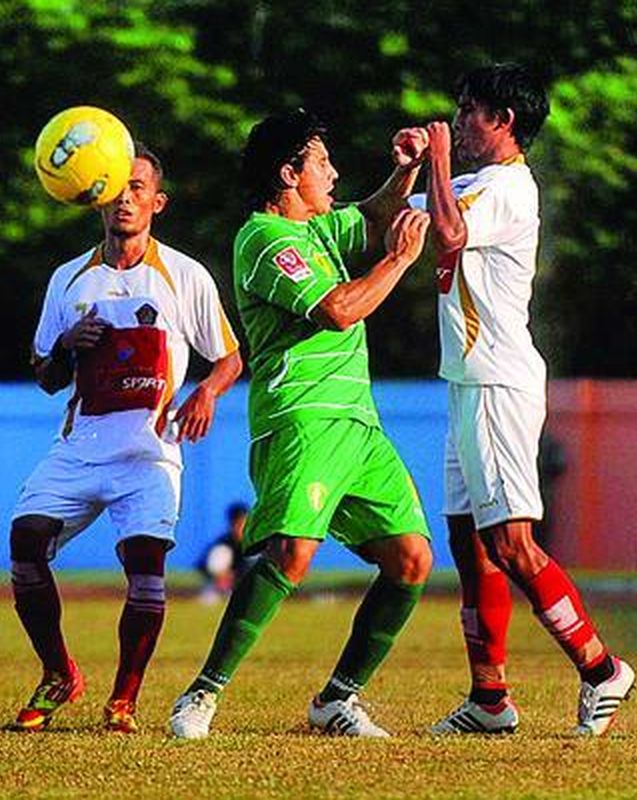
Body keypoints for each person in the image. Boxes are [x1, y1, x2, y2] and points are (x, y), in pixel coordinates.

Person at [170, 109, 433, 740]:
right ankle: (200, 695)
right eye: (321, 163)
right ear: (289, 175)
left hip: (358, 423)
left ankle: (335, 701)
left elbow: (369, 216)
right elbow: (339, 310)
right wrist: (399, 261)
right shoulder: (264, 239)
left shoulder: (317, 229)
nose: (334, 173)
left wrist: (407, 169)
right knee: (292, 554)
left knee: (413, 560)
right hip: (302, 419)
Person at [416, 63, 634, 736]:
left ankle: (602, 670)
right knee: (467, 540)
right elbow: (404, 219)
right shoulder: (472, 182)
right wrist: (411, 168)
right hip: (465, 381)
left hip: (499, 382)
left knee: (511, 543)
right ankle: (490, 700)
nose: (458, 119)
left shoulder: (509, 187)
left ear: (503, 122)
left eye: (469, 109)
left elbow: (448, 234)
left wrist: (439, 163)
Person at [8, 144, 243, 734]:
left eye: (138, 188)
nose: (125, 199)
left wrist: (207, 393)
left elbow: (230, 358)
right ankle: (59, 672)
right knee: (25, 540)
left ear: (157, 203)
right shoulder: (69, 279)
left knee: (145, 568)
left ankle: (124, 700)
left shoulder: (184, 274)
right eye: (115, 188)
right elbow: (44, 377)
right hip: (81, 446)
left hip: (150, 450)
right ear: (96, 195)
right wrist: (67, 346)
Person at [195, 502, 252, 603]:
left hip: (250, 588)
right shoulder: (224, 543)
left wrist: (236, 575)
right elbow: (201, 566)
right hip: (223, 589)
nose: (240, 527)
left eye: (244, 523)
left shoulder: (255, 543)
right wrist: (219, 576)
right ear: (231, 523)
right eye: (237, 523)